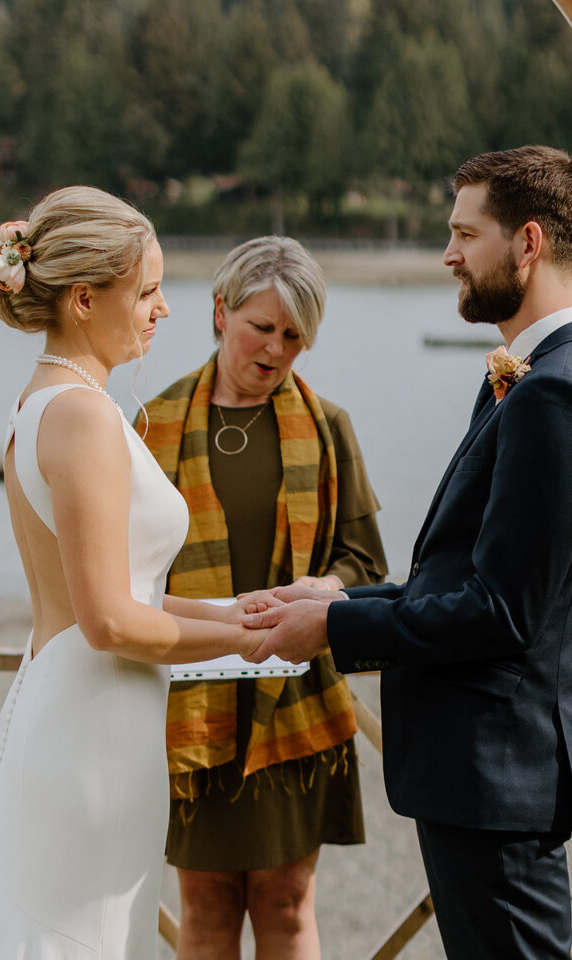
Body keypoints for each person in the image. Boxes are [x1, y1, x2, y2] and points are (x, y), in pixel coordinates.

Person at [241, 147, 572, 958]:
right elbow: (469, 579)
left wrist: (336, 632)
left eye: (465, 233)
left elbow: (501, 613)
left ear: (527, 243)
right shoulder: (540, 377)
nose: (448, 254)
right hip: (492, 775)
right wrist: (342, 600)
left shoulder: (554, 395)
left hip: (497, 775)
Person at [0, 186, 265, 960]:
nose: (163, 309)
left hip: (93, 711)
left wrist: (248, 611)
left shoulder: (58, 402)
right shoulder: (80, 416)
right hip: (93, 730)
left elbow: (133, 594)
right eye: (146, 290)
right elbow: (110, 621)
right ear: (83, 299)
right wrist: (244, 644)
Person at [137, 236, 387, 960]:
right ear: (220, 313)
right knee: (206, 905)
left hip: (294, 698)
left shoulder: (331, 427)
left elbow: (365, 560)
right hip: (188, 695)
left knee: (286, 900)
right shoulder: (150, 426)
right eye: (261, 327)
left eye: (292, 335)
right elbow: (128, 574)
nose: (275, 349)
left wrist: (325, 589)